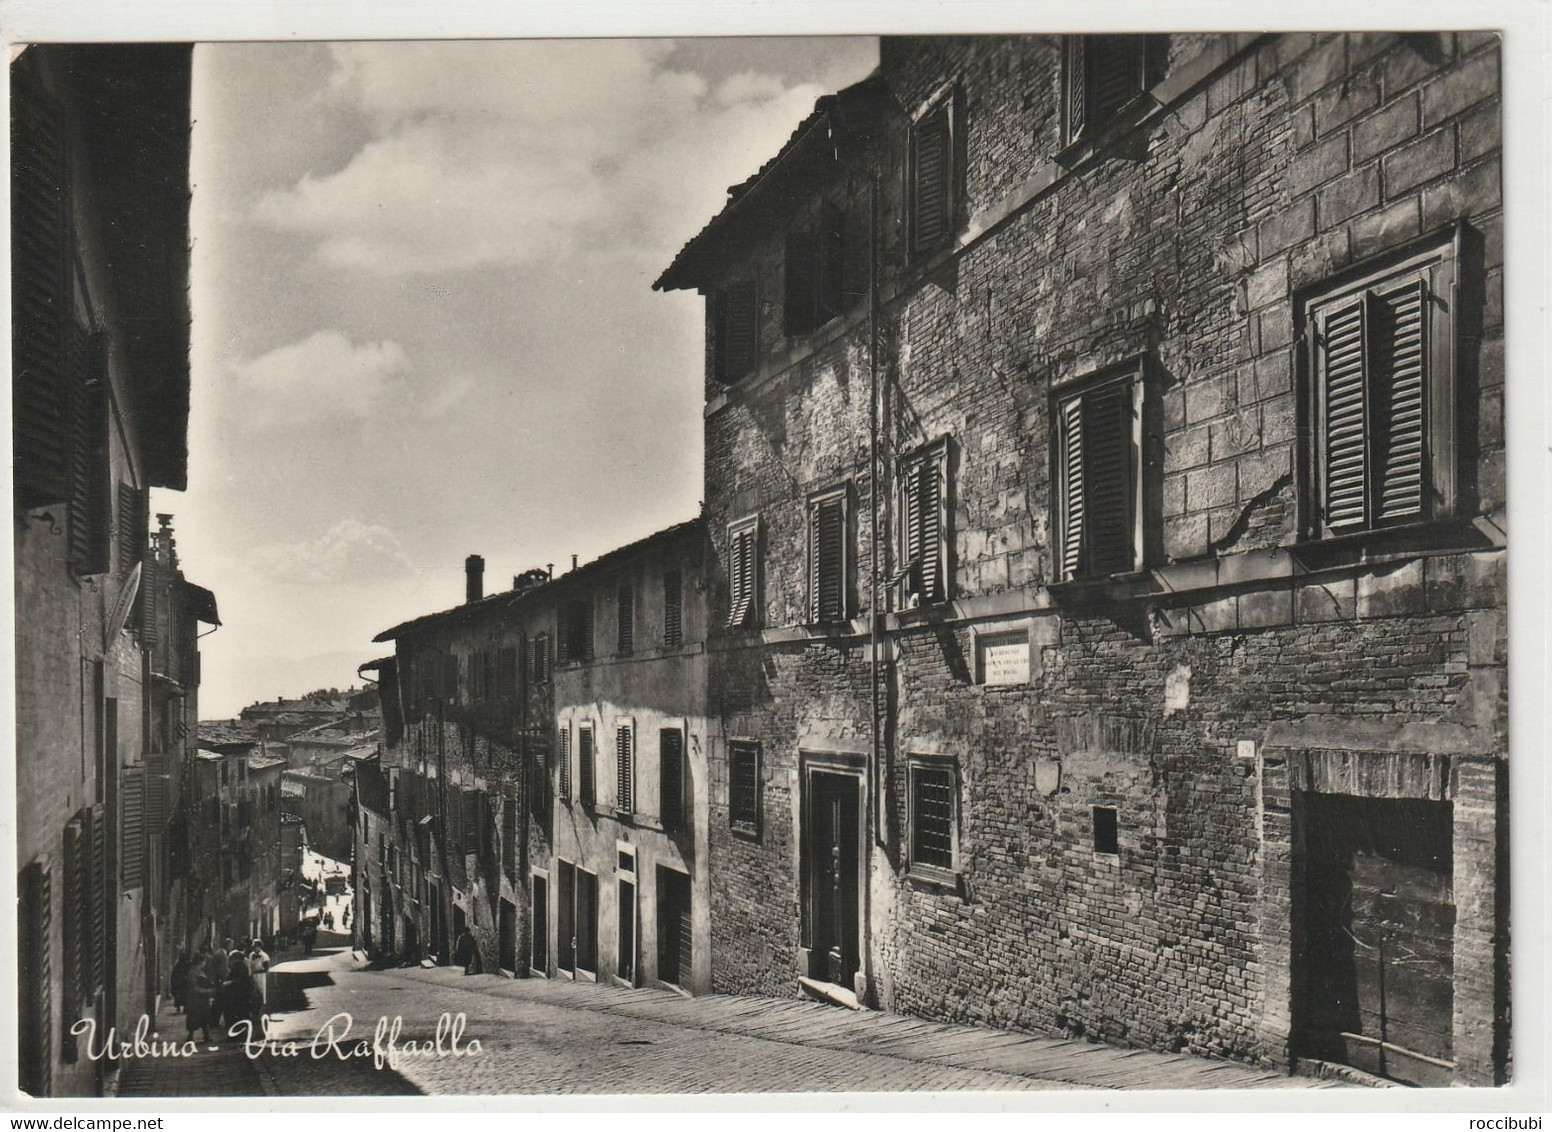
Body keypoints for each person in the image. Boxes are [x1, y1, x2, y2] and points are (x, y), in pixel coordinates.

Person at [185, 955, 216, 1043]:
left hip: (202, 999)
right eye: (204, 962)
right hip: (195, 999)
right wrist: (207, 991)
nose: (205, 964)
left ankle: (206, 1035)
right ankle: (191, 1036)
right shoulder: (192, 973)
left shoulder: (200, 972)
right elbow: (193, 987)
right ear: (200, 962)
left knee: (204, 1017)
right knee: (194, 1016)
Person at [248, 940, 271, 1008]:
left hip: (260, 977)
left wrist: (256, 972)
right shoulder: (251, 954)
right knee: (252, 992)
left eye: (255, 946)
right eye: (253, 947)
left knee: (260, 992)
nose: (254, 948)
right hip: (252, 976)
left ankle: (260, 1009)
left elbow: (266, 970)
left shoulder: (264, 956)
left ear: (259, 947)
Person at [170, 948, 191, 1015]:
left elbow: (174, 975)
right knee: (184, 996)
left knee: (179, 996)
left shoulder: (178, 966)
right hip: (183, 983)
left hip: (180, 984)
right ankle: (184, 1008)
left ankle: (179, 1008)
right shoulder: (187, 965)